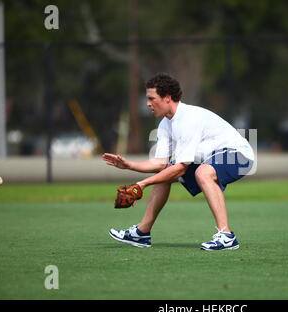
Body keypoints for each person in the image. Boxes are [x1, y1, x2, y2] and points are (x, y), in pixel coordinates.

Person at [102, 73, 254, 251]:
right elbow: (160, 164)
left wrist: (142, 184)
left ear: (167, 98)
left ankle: (226, 236)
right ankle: (142, 233)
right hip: (214, 157)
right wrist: (129, 165)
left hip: (239, 155)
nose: (147, 103)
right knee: (163, 175)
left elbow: (180, 168)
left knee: (202, 172)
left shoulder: (188, 119)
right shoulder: (165, 124)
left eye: (152, 98)